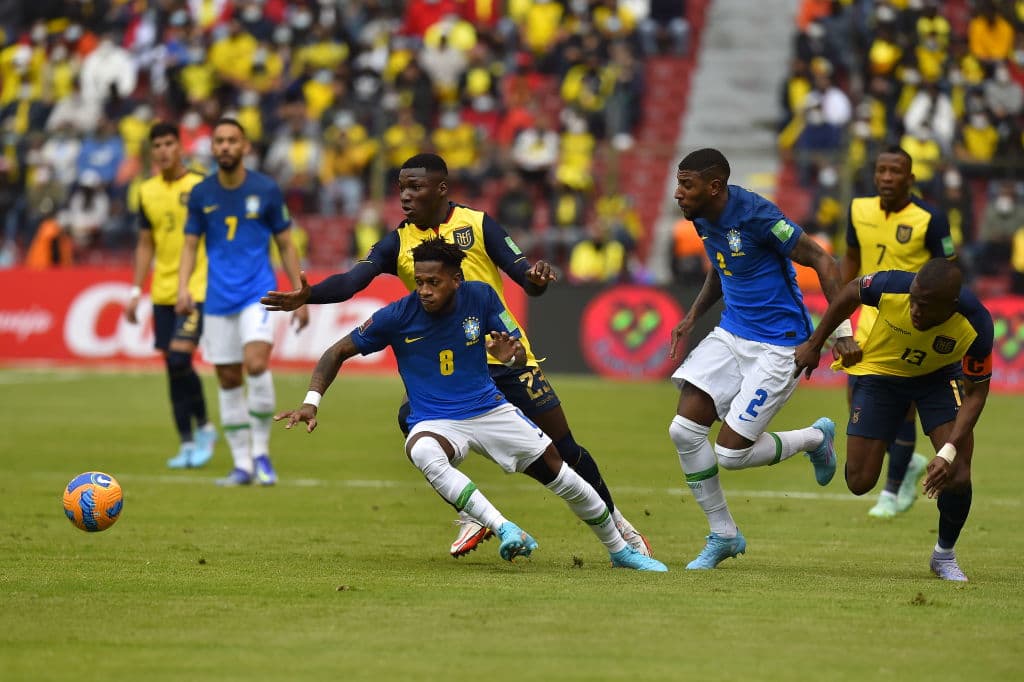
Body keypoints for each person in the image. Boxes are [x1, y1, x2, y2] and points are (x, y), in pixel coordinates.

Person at [261, 153, 652, 558]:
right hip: (450, 366)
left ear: (441, 188)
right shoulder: (398, 241)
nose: (405, 197)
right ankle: (472, 514)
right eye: (401, 189)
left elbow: (524, 277)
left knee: (564, 448)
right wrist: (311, 294)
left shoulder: (478, 224)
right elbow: (352, 281)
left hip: (506, 356)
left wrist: (536, 280)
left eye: (415, 188)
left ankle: (618, 523)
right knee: (411, 423)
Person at [667, 147, 852, 569]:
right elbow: (722, 264)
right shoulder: (700, 215)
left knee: (731, 455)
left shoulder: (758, 215)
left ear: (715, 187)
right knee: (683, 431)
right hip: (733, 332)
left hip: (780, 343)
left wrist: (837, 334)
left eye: (686, 185)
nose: (678, 193)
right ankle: (723, 535)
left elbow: (823, 258)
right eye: (679, 183)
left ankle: (814, 439)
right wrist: (694, 314)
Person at [794, 259, 993, 582]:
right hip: (880, 374)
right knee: (859, 483)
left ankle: (944, 555)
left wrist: (947, 452)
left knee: (957, 473)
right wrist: (818, 343)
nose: (914, 309)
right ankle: (821, 442)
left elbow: (976, 394)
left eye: (924, 305)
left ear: (950, 306)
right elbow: (848, 293)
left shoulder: (976, 323)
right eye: (913, 299)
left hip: (937, 378)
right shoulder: (891, 285)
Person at [177, 117, 309, 487]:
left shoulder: (266, 189)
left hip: (259, 292)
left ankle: (262, 454)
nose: (225, 147)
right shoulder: (202, 193)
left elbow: (285, 242)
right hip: (217, 298)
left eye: (232, 141)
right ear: (213, 147)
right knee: (228, 377)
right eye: (219, 141)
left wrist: (300, 294)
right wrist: (184, 286)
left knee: (254, 364)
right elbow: (190, 244)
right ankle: (241, 465)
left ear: (245, 146)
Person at [843, 146, 956, 519]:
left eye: (896, 171)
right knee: (862, 410)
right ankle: (906, 465)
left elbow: (949, 270)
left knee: (902, 411)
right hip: (865, 327)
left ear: (910, 178)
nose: (887, 178)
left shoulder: (931, 218)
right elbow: (850, 262)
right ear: (874, 175)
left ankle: (891, 492)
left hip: (910, 329)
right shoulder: (858, 210)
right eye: (881, 170)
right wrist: (840, 319)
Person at [126, 121, 217, 469]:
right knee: (172, 367)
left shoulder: (199, 185)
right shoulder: (146, 191)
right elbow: (145, 243)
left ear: (180, 147)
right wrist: (136, 291)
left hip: (197, 287)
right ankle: (187, 441)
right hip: (162, 290)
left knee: (180, 358)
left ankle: (206, 427)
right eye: (157, 145)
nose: (163, 151)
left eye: (168, 144)